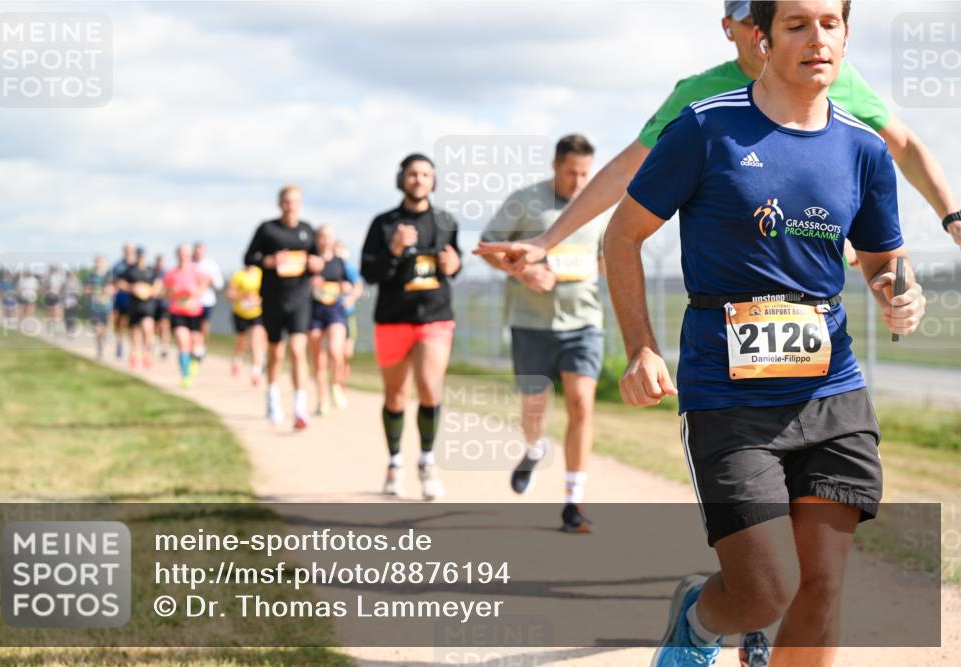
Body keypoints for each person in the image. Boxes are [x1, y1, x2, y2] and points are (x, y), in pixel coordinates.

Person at [599, 2, 926, 666]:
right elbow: (622, 235)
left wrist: (900, 290)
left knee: (821, 586)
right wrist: (641, 348)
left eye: (829, 23)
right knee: (765, 590)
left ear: (846, 36)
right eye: (796, 25)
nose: (816, 39)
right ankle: (698, 622)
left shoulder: (864, 148)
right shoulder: (705, 128)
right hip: (729, 398)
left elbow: (882, 258)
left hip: (832, 390)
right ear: (762, 38)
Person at [476, 0, 960, 277]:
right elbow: (626, 168)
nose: (758, 33)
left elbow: (904, 146)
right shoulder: (698, 94)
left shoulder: (833, 75)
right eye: (749, 22)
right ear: (732, 28)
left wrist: (951, 215)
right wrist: (548, 239)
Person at [480, 134, 608, 533]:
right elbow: (488, 246)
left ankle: (573, 503)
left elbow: (607, 254)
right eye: (571, 173)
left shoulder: (597, 205)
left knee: (581, 404)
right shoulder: (525, 200)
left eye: (585, 174)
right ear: (555, 166)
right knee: (534, 409)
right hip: (531, 323)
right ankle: (535, 448)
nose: (578, 182)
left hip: (584, 323)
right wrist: (525, 271)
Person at [361, 153, 462, 500]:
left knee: (429, 387)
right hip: (392, 317)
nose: (419, 180)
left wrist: (454, 265)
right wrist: (393, 249)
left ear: (433, 181)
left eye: (425, 174)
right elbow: (369, 273)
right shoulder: (383, 223)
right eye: (413, 174)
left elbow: (454, 263)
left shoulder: (446, 221)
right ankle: (394, 463)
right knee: (395, 395)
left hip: (434, 316)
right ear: (401, 179)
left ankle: (427, 461)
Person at [243, 185, 324, 429]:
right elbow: (249, 257)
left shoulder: (307, 230)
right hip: (273, 299)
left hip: (299, 299)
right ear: (280, 204)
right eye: (287, 201)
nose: (291, 206)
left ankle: (300, 408)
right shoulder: (268, 229)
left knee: (298, 351)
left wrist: (316, 264)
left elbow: (318, 260)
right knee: (276, 353)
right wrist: (269, 260)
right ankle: (273, 398)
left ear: (300, 204)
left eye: (295, 201)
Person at [309, 225, 353, 415]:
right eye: (322, 236)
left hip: (335, 311)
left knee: (336, 351)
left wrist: (347, 289)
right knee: (318, 360)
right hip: (314, 312)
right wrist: (310, 283)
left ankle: (335, 384)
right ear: (317, 239)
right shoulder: (310, 261)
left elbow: (352, 284)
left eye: (329, 236)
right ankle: (321, 400)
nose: (325, 240)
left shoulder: (339, 262)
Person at [163, 243, 209, 388]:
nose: (184, 257)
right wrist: (172, 291)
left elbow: (204, 286)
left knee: (194, 342)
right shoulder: (171, 273)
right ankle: (185, 375)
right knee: (183, 341)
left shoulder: (197, 272)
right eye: (181, 255)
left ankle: (194, 361)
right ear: (177, 255)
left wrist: (194, 291)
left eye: (187, 255)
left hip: (194, 312)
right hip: (177, 312)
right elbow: (165, 292)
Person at [116, 246, 161, 370]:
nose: (141, 257)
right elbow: (120, 283)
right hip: (134, 305)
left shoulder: (151, 270)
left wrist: (149, 291)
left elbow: (158, 285)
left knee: (148, 328)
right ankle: (135, 355)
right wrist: (132, 288)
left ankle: (147, 354)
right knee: (135, 331)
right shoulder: (130, 270)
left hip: (148, 305)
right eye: (139, 255)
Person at [226, 263, 267, 386]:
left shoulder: (262, 274)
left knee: (255, 343)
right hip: (241, 313)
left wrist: (260, 299)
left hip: (257, 313)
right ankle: (237, 360)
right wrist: (242, 295)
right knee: (241, 342)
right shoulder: (238, 275)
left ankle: (256, 372)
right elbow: (229, 294)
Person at [335, 240, 363, 386]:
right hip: (333, 315)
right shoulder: (329, 266)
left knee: (347, 353)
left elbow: (359, 287)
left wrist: (350, 298)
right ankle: (336, 383)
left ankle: (343, 380)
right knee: (336, 352)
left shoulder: (349, 268)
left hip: (348, 314)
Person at [193, 242, 224, 365]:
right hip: (191, 301)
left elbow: (219, 284)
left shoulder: (211, 265)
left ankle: (202, 346)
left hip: (206, 300)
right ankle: (194, 347)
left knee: (204, 324)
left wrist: (210, 280)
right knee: (193, 326)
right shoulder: (189, 264)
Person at [84, 255, 115, 359]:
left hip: (106, 307)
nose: (100, 264)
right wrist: (94, 291)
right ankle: (99, 348)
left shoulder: (109, 276)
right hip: (95, 306)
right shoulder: (91, 276)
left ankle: (102, 342)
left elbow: (114, 289)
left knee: (104, 329)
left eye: (102, 262)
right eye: (98, 262)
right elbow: (86, 290)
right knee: (97, 328)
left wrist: (109, 290)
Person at [111, 243, 137, 359]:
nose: (128, 252)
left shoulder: (137, 265)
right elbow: (114, 281)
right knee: (119, 323)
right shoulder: (118, 266)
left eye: (130, 250)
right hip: (121, 298)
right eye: (127, 249)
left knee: (132, 324)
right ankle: (119, 342)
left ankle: (133, 348)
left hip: (134, 299)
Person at [152, 254, 172, 359]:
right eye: (158, 261)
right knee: (156, 325)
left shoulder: (167, 273)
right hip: (154, 304)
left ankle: (165, 346)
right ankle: (156, 342)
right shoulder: (152, 273)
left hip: (165, 304)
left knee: (165, 325)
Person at [60, 269, 82, 337]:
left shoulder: (77, 282)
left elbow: (80, 291)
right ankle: (68, 329)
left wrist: (76, 295)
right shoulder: (64, 283)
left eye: (72, 274)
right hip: (66, 302)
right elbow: (61, 292)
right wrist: (62, 301)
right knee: (66, 317)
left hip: (74, 302)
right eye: (69, 275)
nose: (71, 276)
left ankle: (72, 329)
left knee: (73, 316)